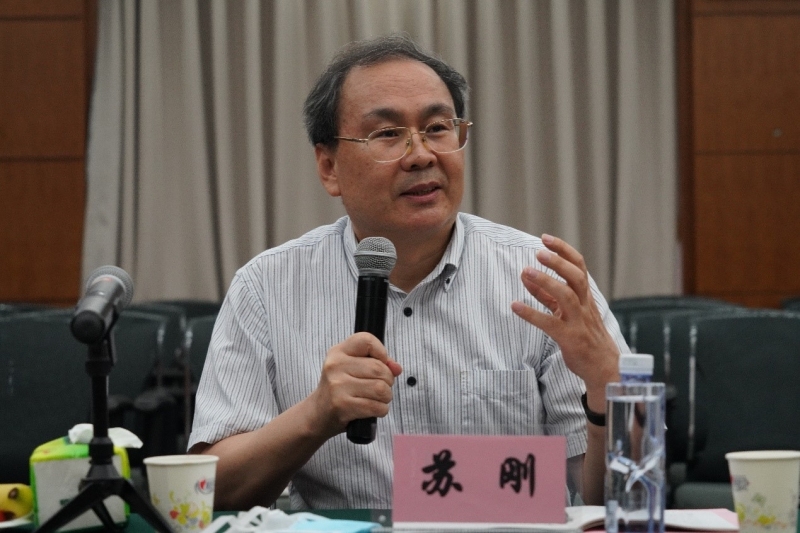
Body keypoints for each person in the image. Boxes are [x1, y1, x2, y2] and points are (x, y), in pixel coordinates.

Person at [188, 33, 627, 510]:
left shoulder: (541, 279)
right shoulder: (266, 287)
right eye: (387, 134)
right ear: (329, 166)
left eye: (438, 127)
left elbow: (609, 498)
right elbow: (207, 493)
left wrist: (607, 391)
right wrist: (314, 416)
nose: (421, 155)